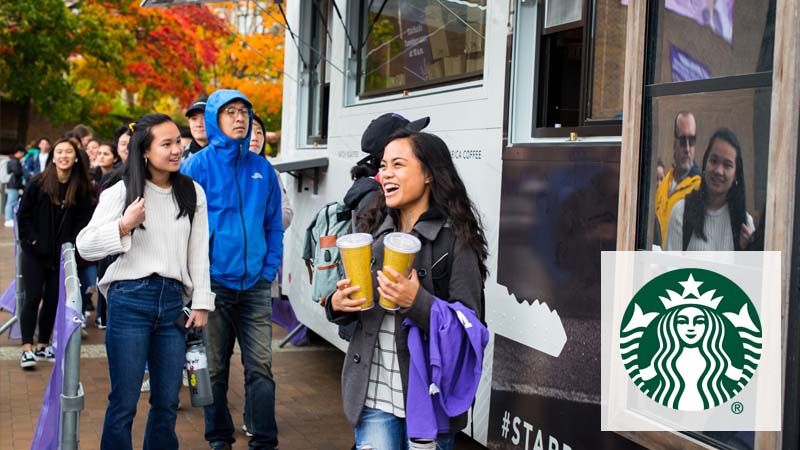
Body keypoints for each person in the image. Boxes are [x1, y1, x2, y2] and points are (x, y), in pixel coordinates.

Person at [327, 130, 487, 450]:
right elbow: (349, 305)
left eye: (398, 164)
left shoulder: (455, 239)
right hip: (373, 395)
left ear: (428, 173)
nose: (385, 173)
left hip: (428, 397)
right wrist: (336, 304)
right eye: (383, 166)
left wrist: (417, 302)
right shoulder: (371, 228)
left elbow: (472, 325)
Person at [76, 113, 213, 449]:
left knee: (167, 401)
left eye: (178, 141)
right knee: (124, 401)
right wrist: (124, 224)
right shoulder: (121, 191)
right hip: (129, 301)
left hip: (171, 305)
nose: (177, 149)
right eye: (166, 144)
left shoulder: (191, 192)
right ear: (145, 151)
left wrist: (202, 302)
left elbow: (198, 252)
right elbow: (85, 245)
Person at [182, 90, 283, 450]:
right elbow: (184, 227)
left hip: (255, 285)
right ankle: (219, 437)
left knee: (261, 368)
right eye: (230, 113)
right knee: (213, 371)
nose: (240, 119)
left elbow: (274, 224)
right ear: (214, 120)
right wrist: (194, 284)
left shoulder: (262, 168)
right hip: (212, 288)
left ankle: (264, 440)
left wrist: (268, 269)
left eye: (244, 112)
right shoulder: (196, 166)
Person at [17, 139, 93, 368]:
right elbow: (24, 215)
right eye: (59, 152)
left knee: (52, 300)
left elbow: (84, 219)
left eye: (68, 152)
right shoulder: (37, 182)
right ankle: (27, 347)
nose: (63, 156)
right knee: (32, 298)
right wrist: (32, 240)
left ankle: (43, 344)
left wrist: (71, 243)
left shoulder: (81, 187)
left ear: (76, 157)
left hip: (62, 255)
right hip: (34, 253)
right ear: (52, 156)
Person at [665, 128, 754, 251]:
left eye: (727, 165)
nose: (718, 170)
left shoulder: (744, 225)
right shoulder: (681, 213)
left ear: (736, 175)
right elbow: (670, 268)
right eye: (714, 161)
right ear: (705, 163)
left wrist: (749, 250)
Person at [654, 111, 702, 246]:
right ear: (674, 143)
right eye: (682, 141)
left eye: (692, 141)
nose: (687, 148)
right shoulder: (663, 183)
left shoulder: (700, 187)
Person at [5, 146, 26, 227]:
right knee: (11, 202)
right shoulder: (15, 161)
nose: (23, 156)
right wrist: (23, 170)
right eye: (23, 154)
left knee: (11, 202)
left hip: (13, 184)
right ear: (19, 152)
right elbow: (17, 172)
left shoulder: (12, 160)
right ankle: (8, 219)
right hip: (13, 185)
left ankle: (9, 218)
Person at [183, 95, 209, 160]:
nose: (198, 124)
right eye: (194, 119)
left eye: (205, 118)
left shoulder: (229, 156)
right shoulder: (180, 158)